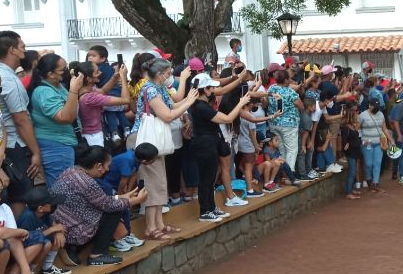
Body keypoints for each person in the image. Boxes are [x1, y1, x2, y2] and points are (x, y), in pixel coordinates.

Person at [129, 58, 198, 239]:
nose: (170, 77)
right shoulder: (150, 89)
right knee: (152, 183)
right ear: (160, 74)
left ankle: (158, 223)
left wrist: (187, 100)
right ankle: (150, 228)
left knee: (159, 182)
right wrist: (189, 102)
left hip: (153, 141)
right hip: (145, 141)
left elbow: (173, 105)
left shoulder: (159, 88)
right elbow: (167, 116)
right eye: (168, 73)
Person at [52, 146, 146, 266]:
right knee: (115, 210)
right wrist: (136, 200)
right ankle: (98, 255)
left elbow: (99, 200)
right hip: (73, 231)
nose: (107, 169)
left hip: (64, 224)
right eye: (107, 165)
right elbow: (108, 205)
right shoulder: (88, 182)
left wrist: (124, 196)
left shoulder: (71, 171)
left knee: (116, 205)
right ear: (98, 166)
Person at [189, 74, 252, 222]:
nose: (214, 89)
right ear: (205, 89)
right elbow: (228, 118)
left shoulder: (200, 105)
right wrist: (241, 103)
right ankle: (205, 211)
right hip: (204, 145)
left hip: (209, 143)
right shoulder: (201, 106)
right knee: (206, 179)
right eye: (211, 87)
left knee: (210, 178)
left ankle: (211, 208)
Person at [0, 31, 41, 210]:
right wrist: (35, 152)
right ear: (12, 50)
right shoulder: (9, 80)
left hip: (4, 145)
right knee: (21, 197)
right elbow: (20, 119)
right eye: (22, 47)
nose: (25, 51)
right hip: (15, 145)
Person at [29, 54, 83, 188]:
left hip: (63, 143)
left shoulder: (57, 86)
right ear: (50, 74)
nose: (67, 72)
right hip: (56, 146)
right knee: (62, 188)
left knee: (66, 186)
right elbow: (65, 117)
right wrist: (74, 90)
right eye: (63, 70)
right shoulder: (44, 92)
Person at [96, 142, 154, 252]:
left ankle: (127, 234)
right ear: (145, 161)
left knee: (126, 209)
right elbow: (123, 182)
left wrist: (130, 193)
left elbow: (133, 174)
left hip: (116, 185)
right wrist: (122, 197)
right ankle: (117, 240)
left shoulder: (136, 157)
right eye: (153, 160)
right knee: (121, 209)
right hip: (108, 185)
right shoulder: (128, 160)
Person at [17, 185, 70, 274]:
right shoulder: (27, 217)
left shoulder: (44, 213)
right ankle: (28, 272)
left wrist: (58, 231)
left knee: (56, 238)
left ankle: (47, 269)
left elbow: (53, 224)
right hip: (26, 250)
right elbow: (26, 238)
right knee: (46, 244)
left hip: (40, 242)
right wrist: (52, 230)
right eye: (51, 203)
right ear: (40, 208)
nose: (54, 205)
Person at [78, 60, 131, 147]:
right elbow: (126, 100)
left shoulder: (86, 89)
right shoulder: (90, 97)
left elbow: (103, 91)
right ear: (88, 79)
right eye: (97, 72)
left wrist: (115, 77)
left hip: (92, 134)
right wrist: (123, 77)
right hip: (94, 137)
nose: (100, 72)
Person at [267, 69, 303, 169]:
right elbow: (300, 105)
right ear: (286, 80)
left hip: (274, 122)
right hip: (289, 125)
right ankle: (289, 174)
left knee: (281, 149)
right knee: (291, 150)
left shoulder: (271, 88)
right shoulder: (290, 92)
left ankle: (282, 172)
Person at [358, 97, 392, 192]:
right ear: (370, 105)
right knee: (368, 164)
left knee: (377, 163)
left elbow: (384, 128)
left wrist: (390, 139)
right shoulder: (362, 115)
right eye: (375, 106)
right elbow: (357, 128)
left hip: (378, 142)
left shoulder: (381, 114)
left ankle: (376, 183)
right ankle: (369, 180)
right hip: (366, 143)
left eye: (378, 106)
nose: (377, 108)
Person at [340, 104, 362, 200]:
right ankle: (348, 192)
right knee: (352, 171)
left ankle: (351, 188)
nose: (356, 116)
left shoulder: (352, 126)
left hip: (355, 151)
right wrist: (351, 144)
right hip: (351, 152)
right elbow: (345, 142)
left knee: (353, 171)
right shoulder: (345, 127)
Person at [297, 96, 318, 180]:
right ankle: (302, 174)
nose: (315, 107)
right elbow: (305, 133)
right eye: (314, 106)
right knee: (301, 153)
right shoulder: (307, 118)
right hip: (300, 137)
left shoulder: (302, 113)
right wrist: (303, 145)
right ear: (310, 106)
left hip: (300, 136)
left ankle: (303, 172)